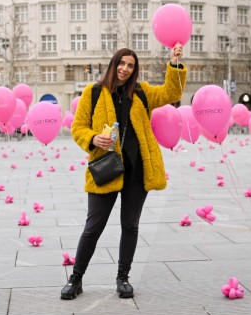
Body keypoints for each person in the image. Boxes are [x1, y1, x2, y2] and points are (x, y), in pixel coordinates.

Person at [61, 43, 186, 300]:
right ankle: (76, 278)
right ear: (113, 64)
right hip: (105, 169)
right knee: (93, 227)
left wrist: (174, 64)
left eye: (130, 65)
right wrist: (93, 138)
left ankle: (123, 278)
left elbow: (171, 93)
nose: (125, 69)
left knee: (130, 225)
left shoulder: (142, 92)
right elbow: (78, 127)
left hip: (137, 170)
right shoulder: (93, 92)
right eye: (121, 63)